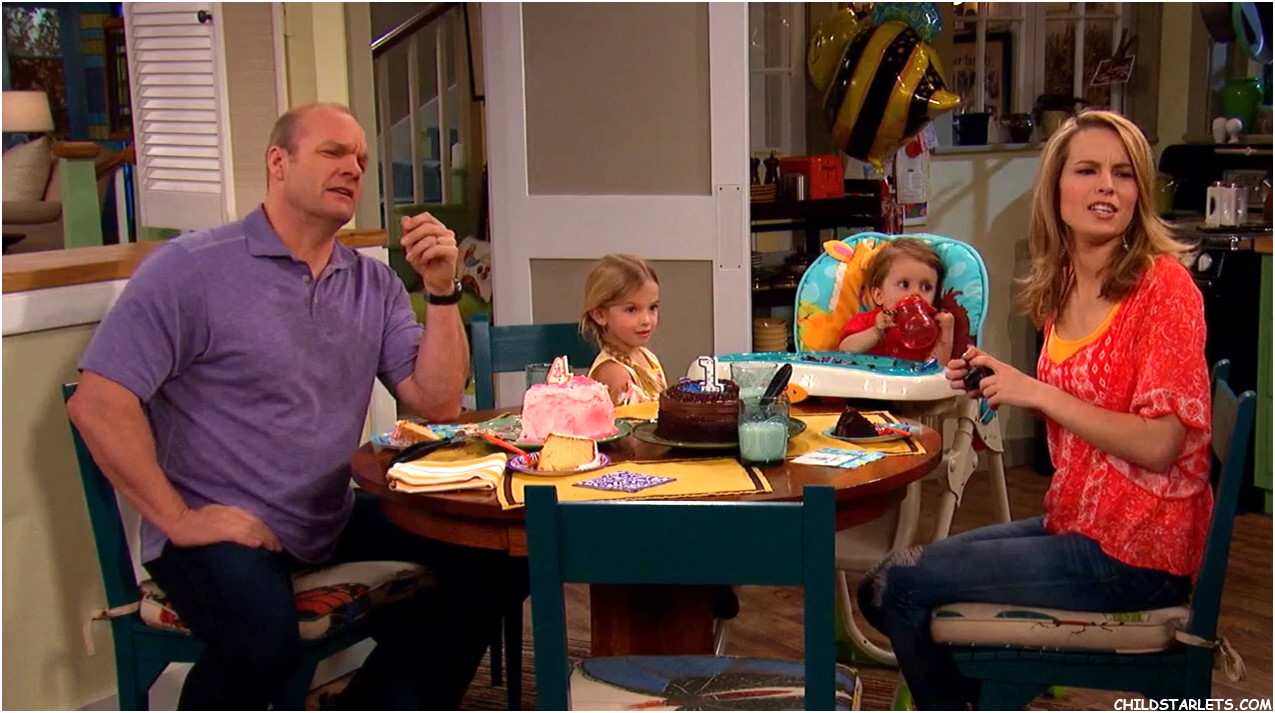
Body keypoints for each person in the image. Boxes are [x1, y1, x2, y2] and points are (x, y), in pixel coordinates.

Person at [67, 103, 523, 710]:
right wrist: (180, 519)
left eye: (360, 159)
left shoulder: (373, 283)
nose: (353, 168)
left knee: (498, 563)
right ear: (278, 163)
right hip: (216, 527)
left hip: (326, 517)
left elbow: (436, 404)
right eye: (333, 152)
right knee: (262, 644)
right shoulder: (191, 270)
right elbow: (98, 403)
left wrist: (442, 290)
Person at [855, 109, 1211, 710]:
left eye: (1124, 173)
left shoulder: (1164, 287)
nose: (1107, 186)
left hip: (1138, 552)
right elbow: (1084, 399)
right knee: (882, 584)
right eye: (1088, 170)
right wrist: (997, 378)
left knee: (898, 587)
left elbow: (1161, 445)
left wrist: (1037, 391)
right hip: (1074, 523)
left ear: (1140, 192)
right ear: (1055, 188)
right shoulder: (1064, 282)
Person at [837, 238, 955, 363]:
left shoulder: (930, 327)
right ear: (879, 295)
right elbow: (845, 350)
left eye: (926, 287)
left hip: (911, 376)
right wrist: (876, 332)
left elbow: (937, 367)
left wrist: (946, 333)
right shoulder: (866, 321)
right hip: (868, 375)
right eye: (904, 284)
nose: (916, 293)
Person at [579, 254, 669, 406]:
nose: (646, 320)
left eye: (652, 307)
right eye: (631, 309)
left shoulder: (648, 357)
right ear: (599, 315)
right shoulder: (613, 373)